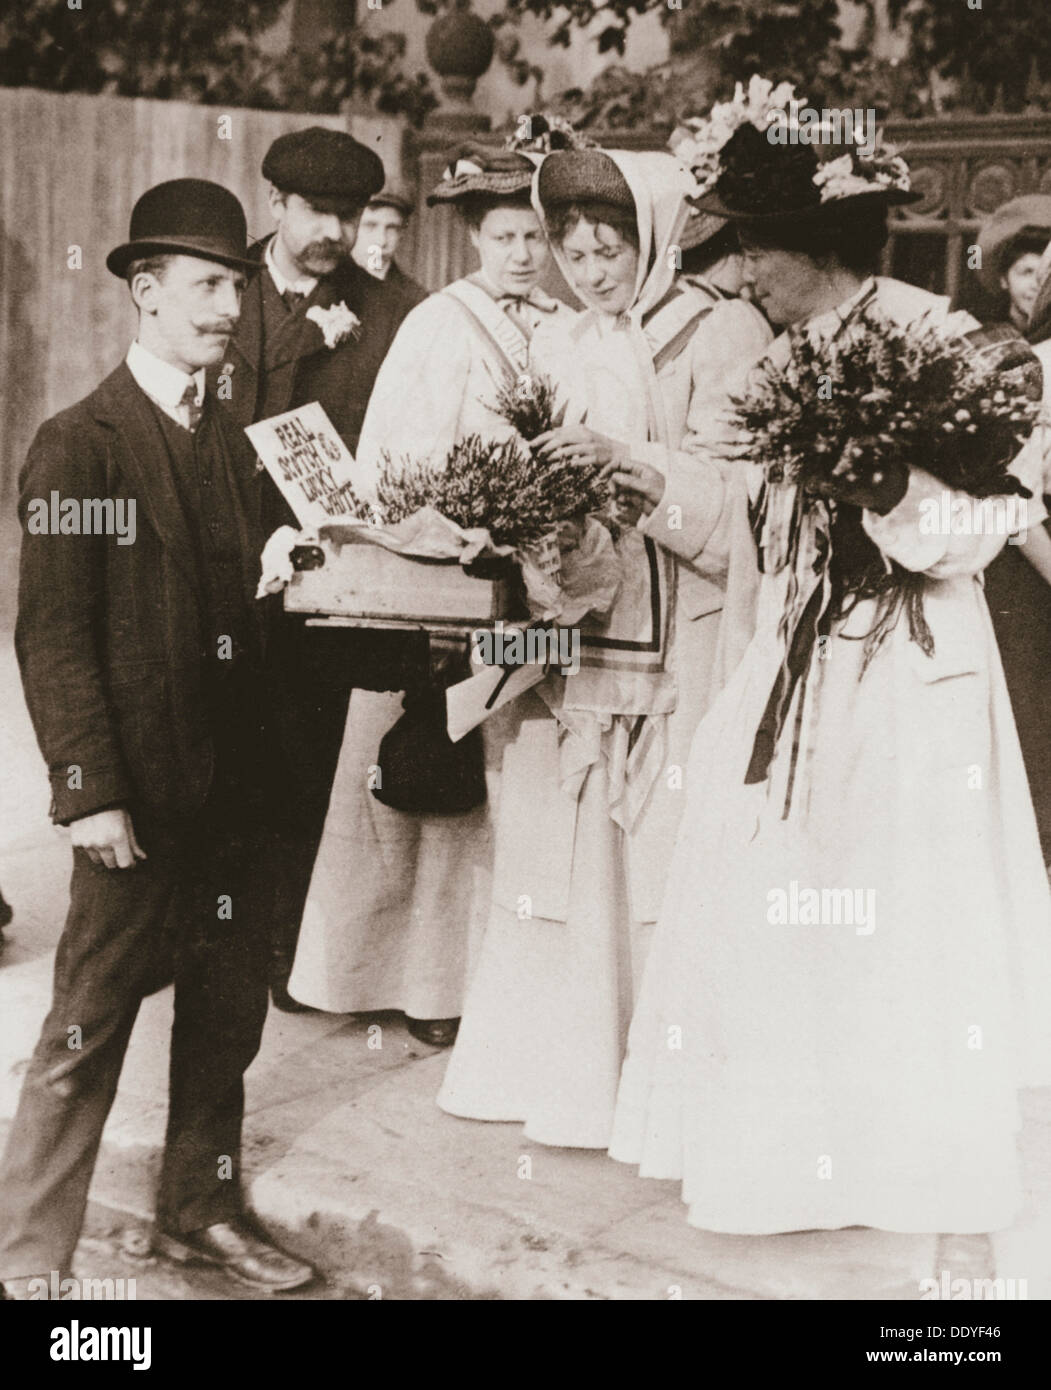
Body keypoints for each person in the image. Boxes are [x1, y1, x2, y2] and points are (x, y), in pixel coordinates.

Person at [608, 118, 1051, 1235]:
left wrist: (886, 490)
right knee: (775, 901)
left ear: (815, 241)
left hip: (907, 675)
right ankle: (786, 1155)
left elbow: (994, 518)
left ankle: (899, 1163)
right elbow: (739, 536)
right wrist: (632, 475)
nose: (739, 267)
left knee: (892, 919)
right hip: (794, 663)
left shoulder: (937, 337)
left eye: (756, 244)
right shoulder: (767, 363)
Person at [0, 180, 314, 1297]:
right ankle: (29, 1257)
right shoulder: (78, 447)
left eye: (237, 283)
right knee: (85, 1027)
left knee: (225, 1023)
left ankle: (197, 1211)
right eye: (210, 284)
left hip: (235, 801)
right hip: (135, 803)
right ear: (146, 292)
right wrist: (88, 793)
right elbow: (55, 638)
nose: (233, 304)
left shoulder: (235, 443)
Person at [435, 147, 773, 1146]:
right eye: (570, 248)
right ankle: (558, 1076)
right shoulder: (560, 341)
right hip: (576, 628)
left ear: (655, 237)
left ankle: (662, 1099)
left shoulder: (719, 333)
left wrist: (628, 465)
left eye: (608, 245)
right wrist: (515, 513)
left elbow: (747, 504)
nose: (588, 267)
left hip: (684, 638)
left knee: (658, 856)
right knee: (558, 852)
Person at [286, 143, 576, 1047]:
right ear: (475, 238)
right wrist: (439, 548)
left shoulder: (568, 326)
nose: (523, 253)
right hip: (445, 575)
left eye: (536, 235)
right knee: (411, 770)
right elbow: (397, 460)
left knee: (495, 787)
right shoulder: (440, 324)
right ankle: (368, 973)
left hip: (532, 580)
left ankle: (460, 984)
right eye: (504, 235)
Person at [214, 126, 414, 1012]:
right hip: (209, 562)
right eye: (318, 212)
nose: (336, 230)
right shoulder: (213, 285)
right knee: (199, 755)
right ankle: (195, 934)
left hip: (316, 577)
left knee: (299, 765)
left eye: (350, 213)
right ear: (275, 205)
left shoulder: (393, 309)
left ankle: (282, 950)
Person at [974, 194, 1051, 331]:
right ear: (1003, 278)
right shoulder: (983, 335)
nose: (1038, 285)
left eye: (1047, 274)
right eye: (1027, 272)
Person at [352, 180, 429, 314]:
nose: (381, 240)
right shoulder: (323, 284)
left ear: (402, 233)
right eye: (370, 226)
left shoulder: (416, 300)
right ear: (352, 225)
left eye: (392, 228)